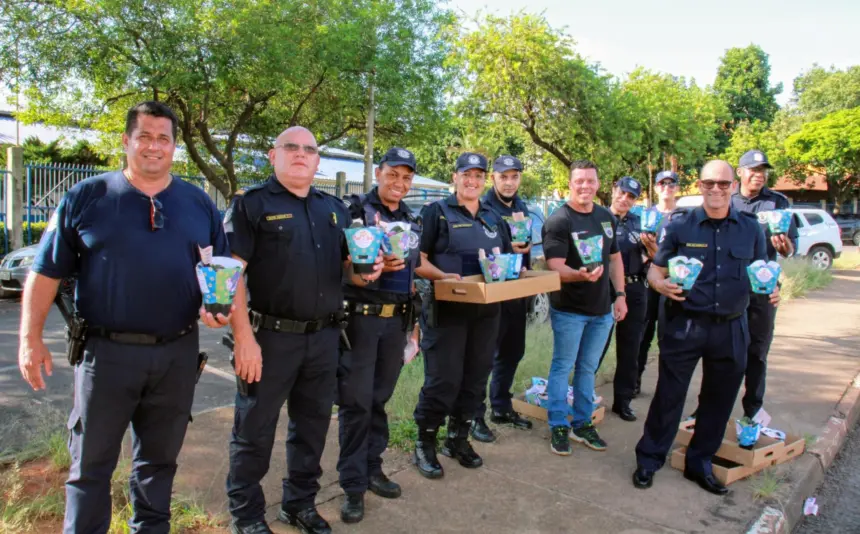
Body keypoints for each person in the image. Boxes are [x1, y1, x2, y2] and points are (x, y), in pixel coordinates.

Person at [18, 101, 232, 534]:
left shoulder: (198, 203)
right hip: (105, 355)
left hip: (176, 354)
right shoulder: (87, 197)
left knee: (158, 465)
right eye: (145, 136)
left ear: (175, 146)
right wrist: (29, 337)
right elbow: (45, 272)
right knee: (90, 466)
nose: (154, 146)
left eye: (164, 138)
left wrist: (219, 307)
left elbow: (220, 268)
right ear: (127, 141)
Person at [224, 126, 382, 534]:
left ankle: (298, 504)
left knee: (311, 428)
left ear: (317, 161)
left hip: (325, 338)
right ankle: (246, 515)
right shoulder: (251, 205)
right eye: (290, 147)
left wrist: (369, 272)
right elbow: (231, 276)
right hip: (269, 340)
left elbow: (349, 270)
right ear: (273, 155)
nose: (300, 154)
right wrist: (244, 338)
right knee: (254, 431)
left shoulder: (334, 209)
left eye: (308, 149)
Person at [633, 160, 779, 495]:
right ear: (699, 186)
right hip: (686, 324)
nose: (716, 190)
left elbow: (764, 272)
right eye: (709, 184)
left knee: (719, 399)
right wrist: (660, 286)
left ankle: (699, 462)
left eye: (723, 184)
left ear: (733, 186)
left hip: (731, 327)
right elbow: (656, 271)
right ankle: (649, 458)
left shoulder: (751, 228)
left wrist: (773, 289)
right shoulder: (681, 225)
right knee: (669, 396)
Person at [411, 152, 513, 479]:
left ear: (485, 180)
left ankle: (457, 438)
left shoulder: (494, 217)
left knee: (475, 379)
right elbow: (417, 260)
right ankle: (425, 441)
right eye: (466, 175)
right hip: (447, 312)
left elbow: (508, 262)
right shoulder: (435, 213)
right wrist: (442, 276)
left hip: (486, 312)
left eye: (478, 176)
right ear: (454, 177)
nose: (472, 181)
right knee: (443, 380)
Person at [336, 147, 422, 524]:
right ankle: (352, 486)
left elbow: (412, 278)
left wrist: (414, 325)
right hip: (361, 319)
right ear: (379, 173)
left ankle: (372, 467)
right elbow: (337, 264)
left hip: (396, 321)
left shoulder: (410, 219)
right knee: (356, 403)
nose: (399, 183)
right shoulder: (355, 211)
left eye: (406, 177)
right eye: (393, 175)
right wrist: (368, 263)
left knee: (379, 398)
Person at [541, 160, 627, 456]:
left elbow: (615, 258)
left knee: (588, 368)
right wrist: (578, 274)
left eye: (590, 181)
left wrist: (621, 295)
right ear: (570, 184)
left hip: (602, 310)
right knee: (562, 366)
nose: (585, 186)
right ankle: (557, 425)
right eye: (579, 181)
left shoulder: (605, 217)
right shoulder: (559, 220)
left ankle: (581, 423)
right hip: (569, 310)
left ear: (598, 184)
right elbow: (554, 265)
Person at [470, 155, 534, 444]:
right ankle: (474, 416)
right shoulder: (482, 207)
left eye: (514, 176)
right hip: (491, 294)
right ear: (493, 178)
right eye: (503, 177)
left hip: (516, 294)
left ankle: (501, 406)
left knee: (512, 351)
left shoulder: (522, 208)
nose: (509, 182)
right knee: (483, 358)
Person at [731, 149, 796, 421]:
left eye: (763, 171)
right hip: (731, 287)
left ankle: (753, 409)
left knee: (757, 351)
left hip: (763, 290)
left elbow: (790, 248)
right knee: (723, 349)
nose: (759, 175)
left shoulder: (778, 202)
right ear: (740, 172)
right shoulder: (728, 200)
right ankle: (710, 405)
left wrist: (786, 247)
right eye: (753, 170)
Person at [598, 177, 648, 422]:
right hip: (605, 290)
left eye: (631, 197)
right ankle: (583, 397)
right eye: (622, 193)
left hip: (635, 287)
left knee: (630, 349)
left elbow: (655, 256)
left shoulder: (641, 224)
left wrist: (651, 247)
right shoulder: (598, 218)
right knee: (596, 346)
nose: (625, 199)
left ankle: (623, 400)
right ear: (613, 190)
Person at [637, 170, 679, 394]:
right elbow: (639, 253)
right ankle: (635, 382)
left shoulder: (683, 217)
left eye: (672, 184)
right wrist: (652, 254)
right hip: (647, 282)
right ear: (655, 188)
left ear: (677, 188)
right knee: (643, 335)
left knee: (669, 337)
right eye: (662, 183)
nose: (667, 187)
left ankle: (666, 387)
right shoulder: (646, 216)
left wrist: (656, 254)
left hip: (672, 281)